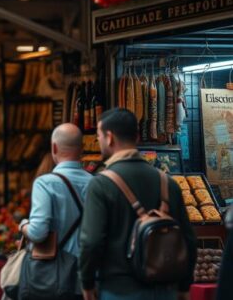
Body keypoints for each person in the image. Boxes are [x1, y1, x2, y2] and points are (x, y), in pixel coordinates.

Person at [79, 108, 196, 300]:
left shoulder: (100, 185)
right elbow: (189, 239)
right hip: (165, 289)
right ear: (137, 136)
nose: (98, 141)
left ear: (109, 137)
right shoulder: (168, 183)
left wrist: (87, 282)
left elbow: (91, 242)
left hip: (119, 290)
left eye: (99, 136)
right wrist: (184, 286)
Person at [18, 124, 92, 298]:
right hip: (85, 275)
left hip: (53, 275)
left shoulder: (45, 183)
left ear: (54, 147)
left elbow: (38, 233)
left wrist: (23, 225)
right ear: (82, 149)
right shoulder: (95, 182)